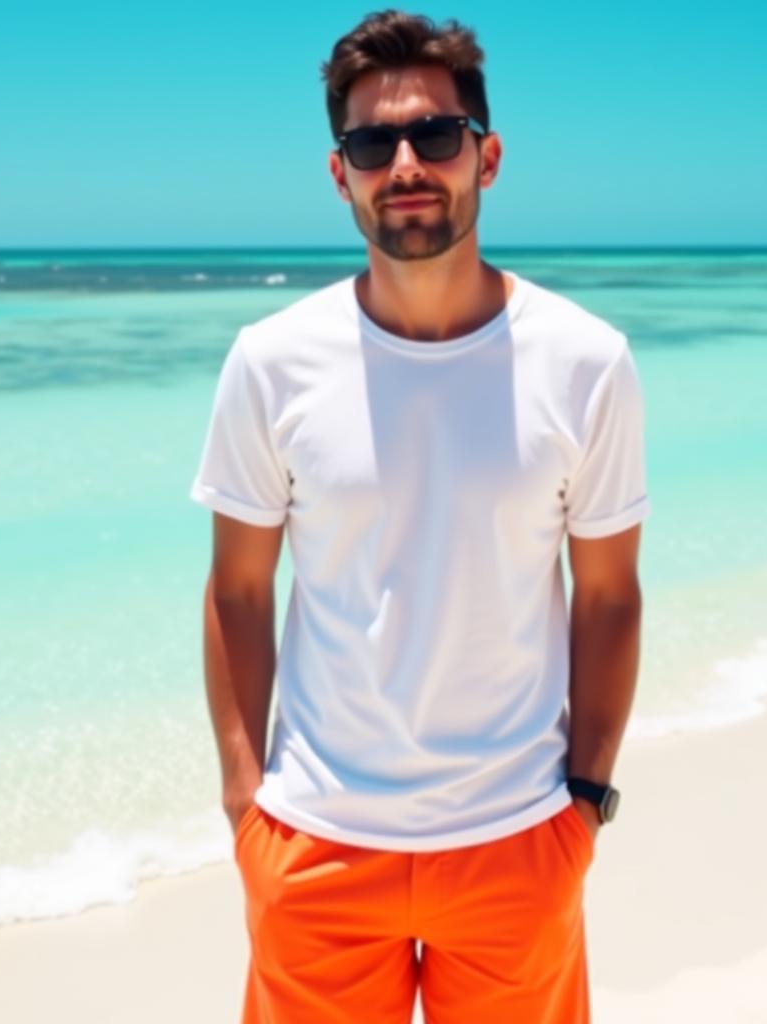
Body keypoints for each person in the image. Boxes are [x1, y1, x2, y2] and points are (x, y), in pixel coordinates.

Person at [189, 9, 651, 1023]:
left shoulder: (585, 361)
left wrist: (584, 803)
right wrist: (244, 804)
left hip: (517, 838)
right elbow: (237, 587)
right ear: (338, 172)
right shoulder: (271, 361)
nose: (405, 162)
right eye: (371, 142)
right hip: (313, 843)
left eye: (434, 135)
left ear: (486, 158)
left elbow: (607, 596)